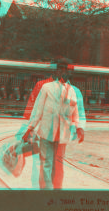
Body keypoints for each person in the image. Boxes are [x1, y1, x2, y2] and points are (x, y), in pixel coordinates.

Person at [22, 59, 84, 189]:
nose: (61, 72)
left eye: (64, 70)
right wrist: (29, 129)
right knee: (46, 163)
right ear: (55, 71)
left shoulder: (72, 91)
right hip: (46, 133)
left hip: (62, 135)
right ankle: (46, 191)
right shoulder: (46, 88)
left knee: (58, 163)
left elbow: (75, 111)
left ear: (67, 72)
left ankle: (57, 190)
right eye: (59, 69)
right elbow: (37, 110)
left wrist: (79, 128)